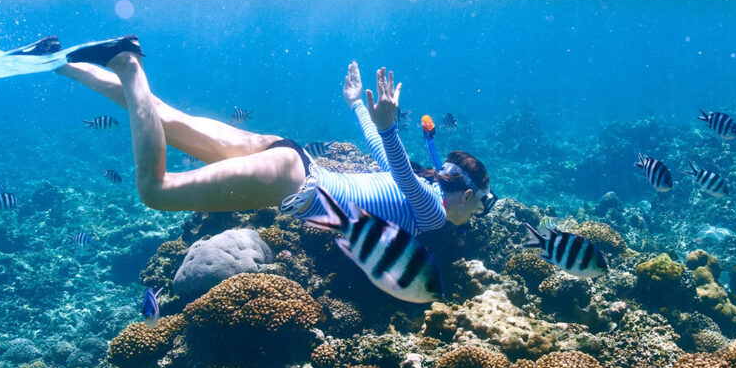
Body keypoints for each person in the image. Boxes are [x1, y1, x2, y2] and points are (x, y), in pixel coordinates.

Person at [58, 36, 495, 234]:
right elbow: (395, 164)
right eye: (483, 206)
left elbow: (382, 151)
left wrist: (357, 105)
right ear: (469, 195)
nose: (476, 215)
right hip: (293, 182)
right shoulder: (433, 214)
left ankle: (65, 63)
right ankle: (128, 63)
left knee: (167, 119)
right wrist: (384, 125)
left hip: (292, 155)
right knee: (155, 191)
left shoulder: (422, 182)